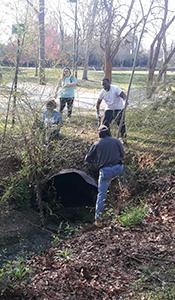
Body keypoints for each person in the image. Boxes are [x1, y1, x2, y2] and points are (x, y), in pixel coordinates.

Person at [85, 125, 124, 226]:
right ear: (109, 132)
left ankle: (98, 219)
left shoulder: (97, 144)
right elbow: (123, 155)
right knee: (120, 186)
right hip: (118, 168)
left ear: (99, 134)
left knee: (101, 194)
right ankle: (118, 209)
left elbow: (87, 159)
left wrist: (97, 159)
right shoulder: (116, 141)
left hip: (105, 171)